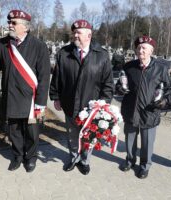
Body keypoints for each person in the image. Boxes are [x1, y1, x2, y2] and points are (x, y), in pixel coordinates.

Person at [49, 19, 114, 175]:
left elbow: (108, 84)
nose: (75, 35)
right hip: (69, 103)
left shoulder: (102, 56)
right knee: (72, 135)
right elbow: (57, 77)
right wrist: (55, 97)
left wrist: (103, 106)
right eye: (74, 32)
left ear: (89, 35)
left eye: (78, 33)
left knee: (88, 137)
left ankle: (84, 161)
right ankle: (73, 158)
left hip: (91, 108)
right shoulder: (64, 53)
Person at [0, 10, 51, 172]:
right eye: (9, 22)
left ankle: (31, 157)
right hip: (11, 97)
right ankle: (18, 155)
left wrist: (41, 103)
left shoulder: (39, 46)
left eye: (14, 23)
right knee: (14, 131)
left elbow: (44, 77)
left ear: (25, 27)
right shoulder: (4, 43)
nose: (9, 25)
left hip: (30, 99)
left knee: (31, 133)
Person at [116, 36, 171, 179]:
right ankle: (130, 160)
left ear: (151, 51)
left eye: (144, 48)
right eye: (139, 47)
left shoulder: (161, 69)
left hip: (149, 112)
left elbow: (169, 90)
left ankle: (145, 166)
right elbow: (120, 84)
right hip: (130, 111)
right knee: (130, 140)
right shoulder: (129, 67)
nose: (140, 50)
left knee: (147, 143)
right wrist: (120, 88)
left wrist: (164, 102)